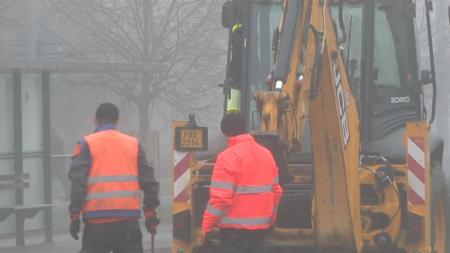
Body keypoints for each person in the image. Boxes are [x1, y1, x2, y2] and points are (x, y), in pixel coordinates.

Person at [68, 102, 160, 253]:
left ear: (95, 120)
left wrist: (74, 216)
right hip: (128, 222)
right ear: (117, 120)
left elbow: (78, 182)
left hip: (97, 224)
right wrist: (150, 213)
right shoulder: (133, 144)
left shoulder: (86, 144)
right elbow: (149, 181)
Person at [201, 112, 283, 253]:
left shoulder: (227, 157)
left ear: (225, 132)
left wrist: (206, 227)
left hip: (234, 233)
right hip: (260, 231)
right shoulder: (266, 154)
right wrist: (271, 221)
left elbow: (220, 199)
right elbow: (276, 192)